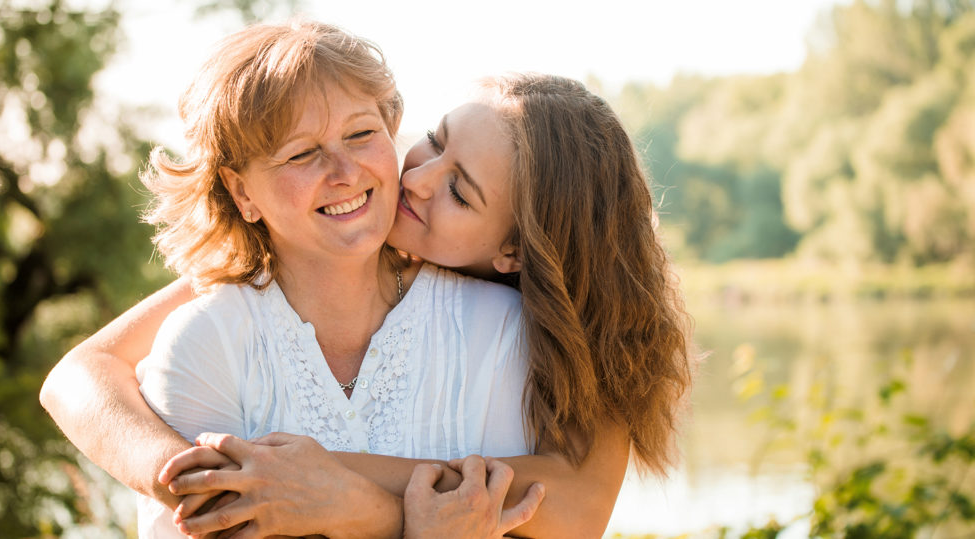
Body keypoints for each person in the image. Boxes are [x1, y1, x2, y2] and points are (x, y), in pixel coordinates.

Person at [40, 21, 693, 539]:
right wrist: (180, 472)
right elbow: (81, 372)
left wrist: (344, 495)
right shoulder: (251, 295)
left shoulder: (545, 333)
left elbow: (574, 510)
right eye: (434, 141)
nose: (416, 178)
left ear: (515, 251)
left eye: (460, 191)